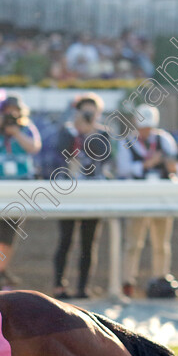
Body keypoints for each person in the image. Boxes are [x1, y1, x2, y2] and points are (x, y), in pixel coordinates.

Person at [0, 91, 41, 290]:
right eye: (8, 111)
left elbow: (34, 148)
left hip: (20, 185)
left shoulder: (26, 128)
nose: (12, 114)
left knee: (11, 230)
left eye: (15, 111)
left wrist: (16, 132)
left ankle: (0, 271)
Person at [116, 104, 178, 297]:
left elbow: (177, 168)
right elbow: (123, 169)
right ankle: (127, 281)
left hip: (161, 196)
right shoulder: (127, 142)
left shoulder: (165, 140)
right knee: (133, 242)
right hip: (138, 197)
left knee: (161, 242)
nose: (146, 131)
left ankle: (160, 278)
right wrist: (147, 164)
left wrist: (170, 166)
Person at [52, 93, 111, 299]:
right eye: (83, 111)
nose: (87, 115)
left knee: (89, 241)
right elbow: (61, 152)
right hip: (68, 191)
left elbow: (102, 155)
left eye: (91, 112)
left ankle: (83, 287)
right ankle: (59, 285)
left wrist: (88, 133)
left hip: (93, 192)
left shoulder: (102, 134)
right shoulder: (67, 132)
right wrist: (77, 132)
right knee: (65, 239)